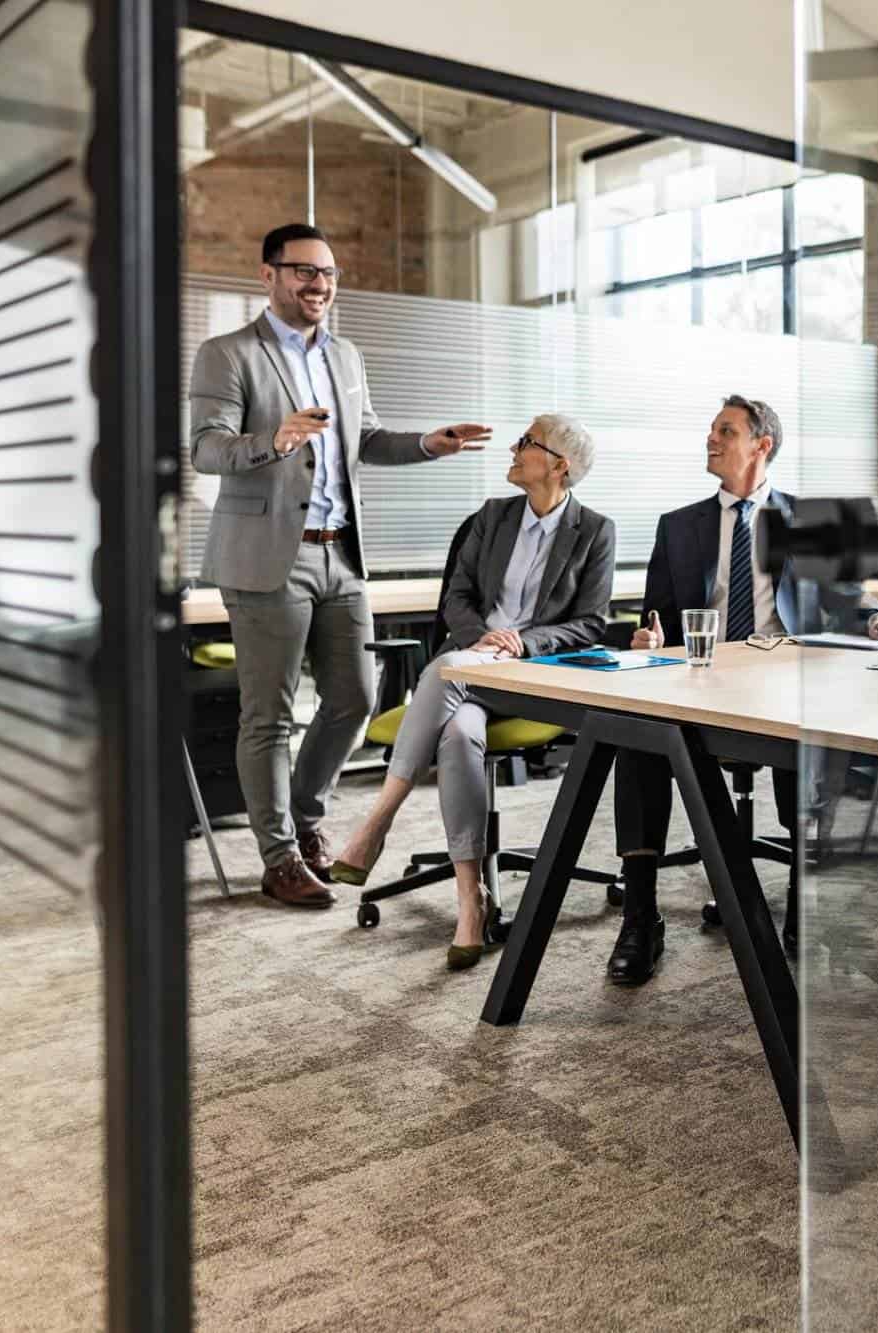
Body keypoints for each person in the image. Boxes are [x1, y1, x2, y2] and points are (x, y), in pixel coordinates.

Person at [190, 223, 491, 909]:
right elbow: (206, 450)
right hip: (269, 555)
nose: (318, 284)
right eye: (302, 270)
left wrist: (428, 443)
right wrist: (275, 438)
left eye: (327, 273)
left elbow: (367, 439)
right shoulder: (228, 354)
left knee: (356, 695)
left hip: (342, 553)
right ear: (268, 275)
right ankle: (279, 857)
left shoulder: (346, 356)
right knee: (267, 716)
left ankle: (303, 815)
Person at [610, 394, 878, 984]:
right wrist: (646, 640)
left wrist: (872, 618)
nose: (710, 439)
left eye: (725, 431)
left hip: (782, 677)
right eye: (711, 430)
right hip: (701, 681)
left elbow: (849, 595)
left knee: (814, 724)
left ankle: (803, 894)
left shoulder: (808, 522)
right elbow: (657, 622)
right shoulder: (678, 527)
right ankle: (641, 917)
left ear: (761, 445)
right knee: (635, 739)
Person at [327, 415, 615, 969]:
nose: (514, 447)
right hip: (470, 663)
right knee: (458, 735)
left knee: (444, 673)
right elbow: (456, 597)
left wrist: (521, 643)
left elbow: (590, 624)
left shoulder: (595, 531)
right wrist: (480, 638)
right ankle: (471, 900)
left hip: (531, 676)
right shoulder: (492, 516)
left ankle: (378, 819)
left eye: (527, 443)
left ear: (560, 465)